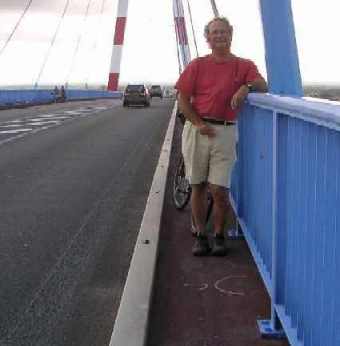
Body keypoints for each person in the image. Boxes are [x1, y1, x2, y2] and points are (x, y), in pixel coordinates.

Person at [175, 16, 267, 256]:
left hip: (225, 131)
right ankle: (200, 235)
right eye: (214, 32)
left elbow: (263, 84)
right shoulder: (198, 65)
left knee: (219, 188)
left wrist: (246, 87)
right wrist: (198, 123)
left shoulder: (243, 65)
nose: (219, 36)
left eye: (223, 32)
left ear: (231, 33)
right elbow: (182, 99)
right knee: (197, 185)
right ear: (207, 38)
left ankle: (219, 235)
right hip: (198, 130)